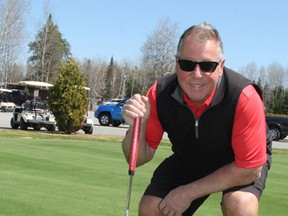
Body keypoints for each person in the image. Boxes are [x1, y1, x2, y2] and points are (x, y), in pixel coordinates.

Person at [121, 22, 272, 216]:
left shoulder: (244, 98)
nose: (197, 75)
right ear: (176, 64)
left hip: (237, 161)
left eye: (207, 65)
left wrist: (188, 193)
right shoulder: (159, 94)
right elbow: (138, 158)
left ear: (221, 66)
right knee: (152, 208)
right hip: (191, 157)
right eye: (187, 64)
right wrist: (136, 128)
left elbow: (249, 170)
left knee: (240, 204)